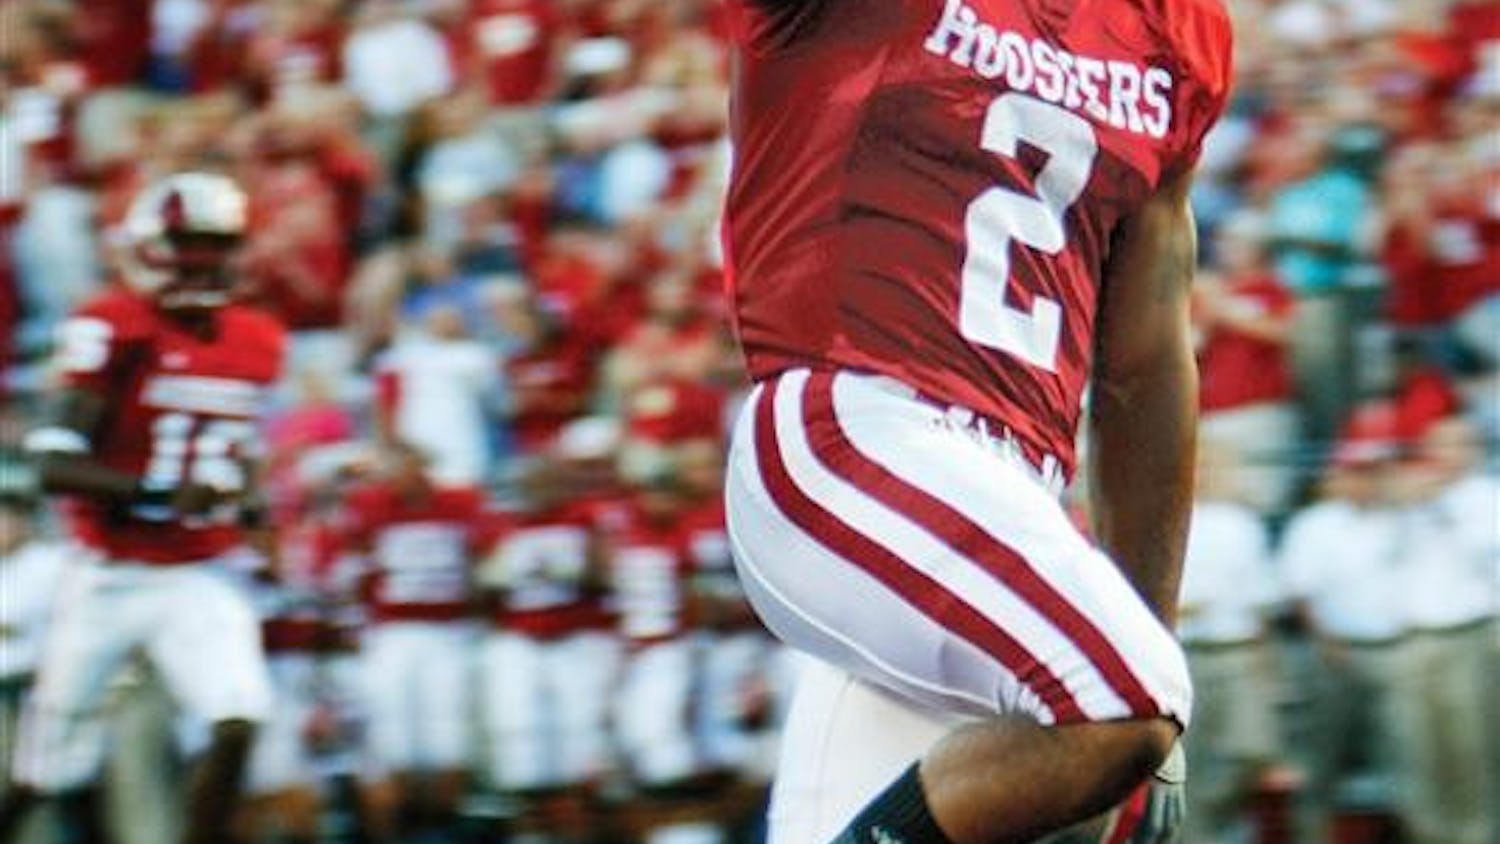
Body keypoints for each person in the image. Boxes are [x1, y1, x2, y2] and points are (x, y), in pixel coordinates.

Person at [720, 1, 1233, 842]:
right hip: (849, 436)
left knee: (1105, 718)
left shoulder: (1174, 25)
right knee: (1120, 700)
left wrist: (1142, 641)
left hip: (999, 515)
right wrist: (1140, 691)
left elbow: (1144, 363)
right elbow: (1129, 704)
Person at [1, 173, 285, 844]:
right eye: (189, 243)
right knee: (45, 770)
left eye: (215, 244)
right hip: (108, 572)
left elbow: (233, 448)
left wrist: (249, 504)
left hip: (199, 570)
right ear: (148, 248)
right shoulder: (114, 325)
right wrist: (157, 494)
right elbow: (51, 465)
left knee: (238, 718)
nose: (203, 260)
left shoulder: (258, 338)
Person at [342, 442, 485, 842]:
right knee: (394, 736)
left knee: (446, 734)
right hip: (393, 631)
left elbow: (481, 558)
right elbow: (356, 568)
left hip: (447, 630)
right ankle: (409, 824)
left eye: (413, 466)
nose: (406, 476)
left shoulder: (459, 503)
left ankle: (442, 822)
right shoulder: (371, 506)